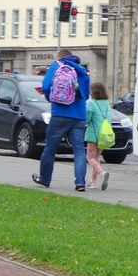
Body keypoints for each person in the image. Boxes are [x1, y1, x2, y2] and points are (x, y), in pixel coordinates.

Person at [33, 48, 91, 191]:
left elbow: (46, 86)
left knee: (50, 148)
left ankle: (45, 179)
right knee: (78, 150)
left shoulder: (56, 66)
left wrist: (51, 98)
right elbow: (87, 94)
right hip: (78, 116)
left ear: (60, 58)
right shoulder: (82, 70)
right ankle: (80, 183)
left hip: (60, 113)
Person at [84, 81, 112, 191]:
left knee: (90, 157)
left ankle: (102, 173)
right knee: (96, 158)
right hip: (104, 135)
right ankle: (93, 182)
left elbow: (87, 118)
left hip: (93, 134)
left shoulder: (91, 103)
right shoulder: (106, 103)